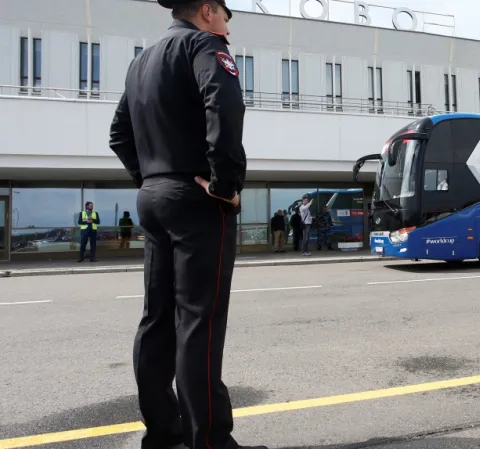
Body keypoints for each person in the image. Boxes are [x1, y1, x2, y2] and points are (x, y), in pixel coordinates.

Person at [107, 1, 267, 448]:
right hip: (198, 199)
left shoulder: (141, 62)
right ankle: (210, 442)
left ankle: (164, 434)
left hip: (153, 197)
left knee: (156, 318)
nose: (228, 31)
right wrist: (225, 184)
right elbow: (224, 106)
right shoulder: (205, 45)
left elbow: (119, 134)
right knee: (200, 322)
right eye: (227, 20)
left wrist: (150, 178)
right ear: (210, 11)